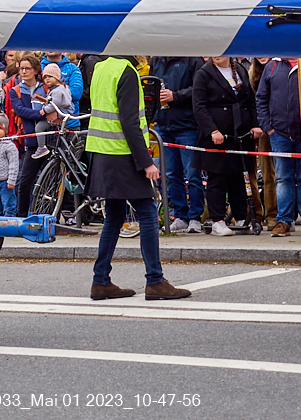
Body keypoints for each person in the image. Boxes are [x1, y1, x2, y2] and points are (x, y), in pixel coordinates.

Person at [85, 55, 190, 301]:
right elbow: (130, 121)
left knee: (114, 217)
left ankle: (100, 280)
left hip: (102, 151)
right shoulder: (127, 71)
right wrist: (146, 162)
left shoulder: (101, 67)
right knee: (148, 214)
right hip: (123, 154)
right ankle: (155, 280)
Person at [193, 56, 264, 237]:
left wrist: (255, 124)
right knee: (217, 179)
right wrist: (212, 130)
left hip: (239, 133)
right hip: (217, 135)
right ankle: (217, 220)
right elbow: (199, 106)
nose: (217, 55)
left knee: (239, 177)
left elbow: (250, 100)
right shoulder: (204, 74)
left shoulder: (240, 69)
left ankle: (240, 217)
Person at [149, 56, 205, 234]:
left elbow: (199, 88)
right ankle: (180, 215)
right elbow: (151, 88)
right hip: (164, 124)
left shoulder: (192, 59)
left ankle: (196, 216)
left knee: (192, 174)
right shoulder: (156, 60)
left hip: (187, 125)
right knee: (171, 174)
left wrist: (176, 96)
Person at [256, 58, 301, 237]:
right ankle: (284, 220)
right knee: (283, 178)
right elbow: (261, 98)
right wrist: (268, 127)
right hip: (279, 133)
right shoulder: (272, 66)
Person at [7, 55, 50, 216]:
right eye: (21, 69)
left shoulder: (45, 87)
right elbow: (20, 111)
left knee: (50, 180)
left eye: (27, 68)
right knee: (25, 182)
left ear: (36, 70)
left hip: (50, 138)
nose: (24, 72)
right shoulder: (16, 90)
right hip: (31, 141)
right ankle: (21, 215)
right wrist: (42, 114)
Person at [248, 57, 278, 228]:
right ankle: (256, 215)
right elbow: (250, 102)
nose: (262, 55)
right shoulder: (250, 73)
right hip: (253, 127)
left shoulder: (278, 68)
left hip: (271, 126)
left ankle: (273, 214)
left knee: (270, 174)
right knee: (251, 173)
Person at [31, 63, 73, 159]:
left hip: (60, 114)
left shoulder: (57, 91)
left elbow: (55, 104)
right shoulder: (62, 88)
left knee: (39, 128)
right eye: (45, 77)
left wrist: (45, 110)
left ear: (57, 77)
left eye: (50, 76)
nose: (47, 79)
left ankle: (41, 147)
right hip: (64, 115)